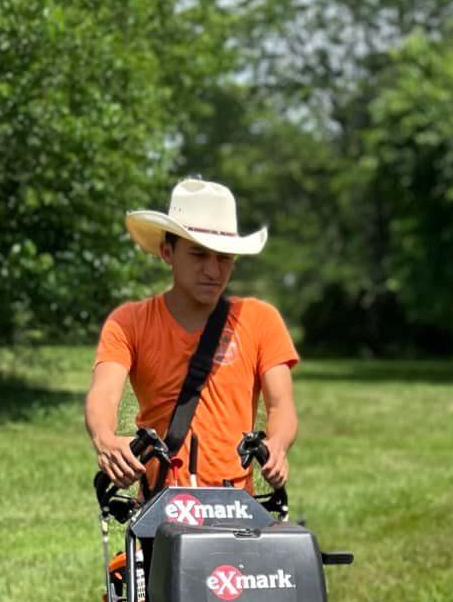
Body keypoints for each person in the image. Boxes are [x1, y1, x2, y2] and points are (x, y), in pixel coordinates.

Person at [85, 178, 298, 492]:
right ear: (168, 252)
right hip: (160, 509)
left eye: (224, 257)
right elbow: (104, 394)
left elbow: (281, 406)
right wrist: (105, 439)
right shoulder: (129, 321)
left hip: (236, 511)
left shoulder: (260, 319)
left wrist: (277, 445)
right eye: (199, 255)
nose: (213, 271)